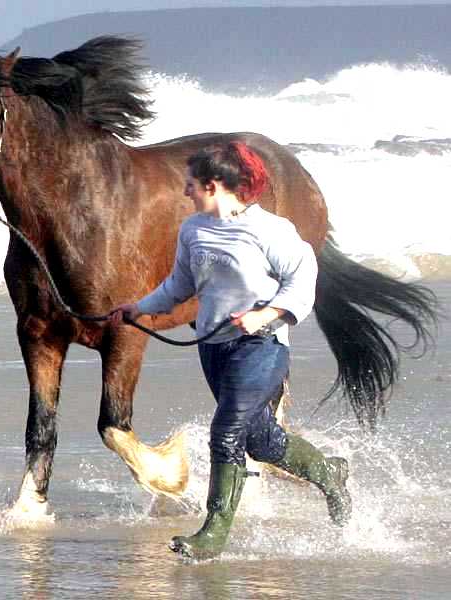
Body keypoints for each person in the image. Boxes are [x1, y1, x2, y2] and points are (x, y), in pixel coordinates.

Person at [110, 142, 352, 560]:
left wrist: (267, 315)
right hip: (214, 348)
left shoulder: (271, 230)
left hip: (262, 346)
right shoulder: (194, 229)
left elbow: (302, 278)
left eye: (190, 185)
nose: (185, 192)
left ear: (215, 185)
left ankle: (213, 532)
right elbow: (179, 286)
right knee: (259, 440)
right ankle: (329, 473)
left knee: (225, 431)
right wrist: (139, 309)